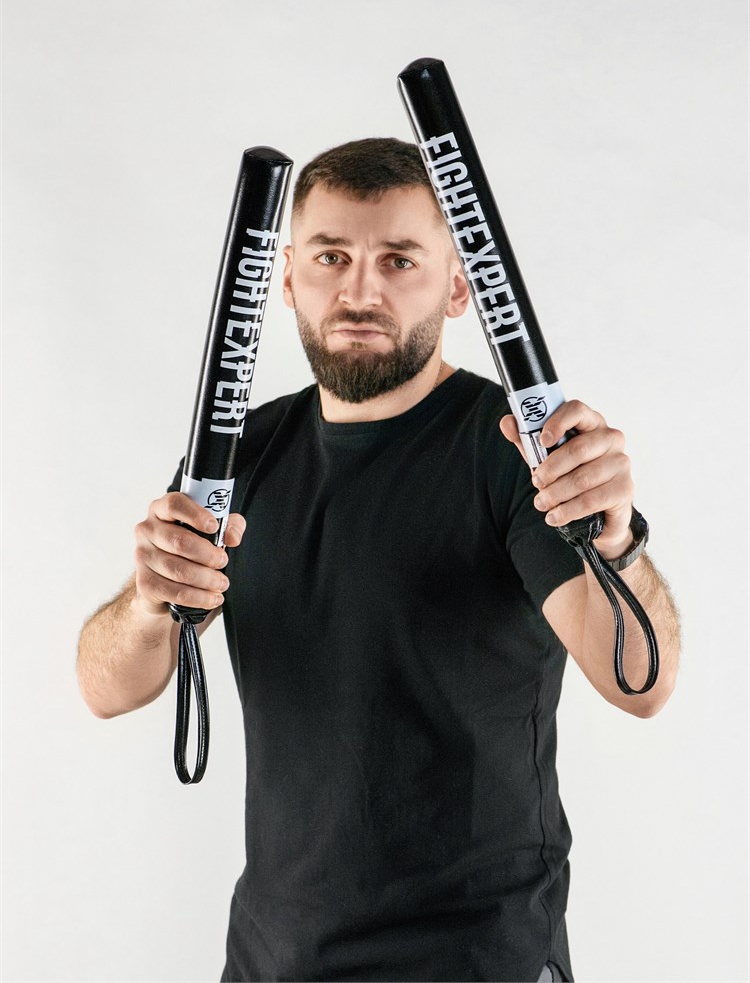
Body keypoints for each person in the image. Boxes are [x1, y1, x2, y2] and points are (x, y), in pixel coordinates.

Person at [77, 138, 681, 983]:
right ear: (288, 277)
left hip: (477, 960)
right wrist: (147, 604)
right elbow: (105, 689)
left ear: (459, 285)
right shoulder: (237, 457)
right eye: (332, 257)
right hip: (273, 959)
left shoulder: (517, 453)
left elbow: (640, 685)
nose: (360, 292)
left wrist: (614, 543)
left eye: (399, 260)